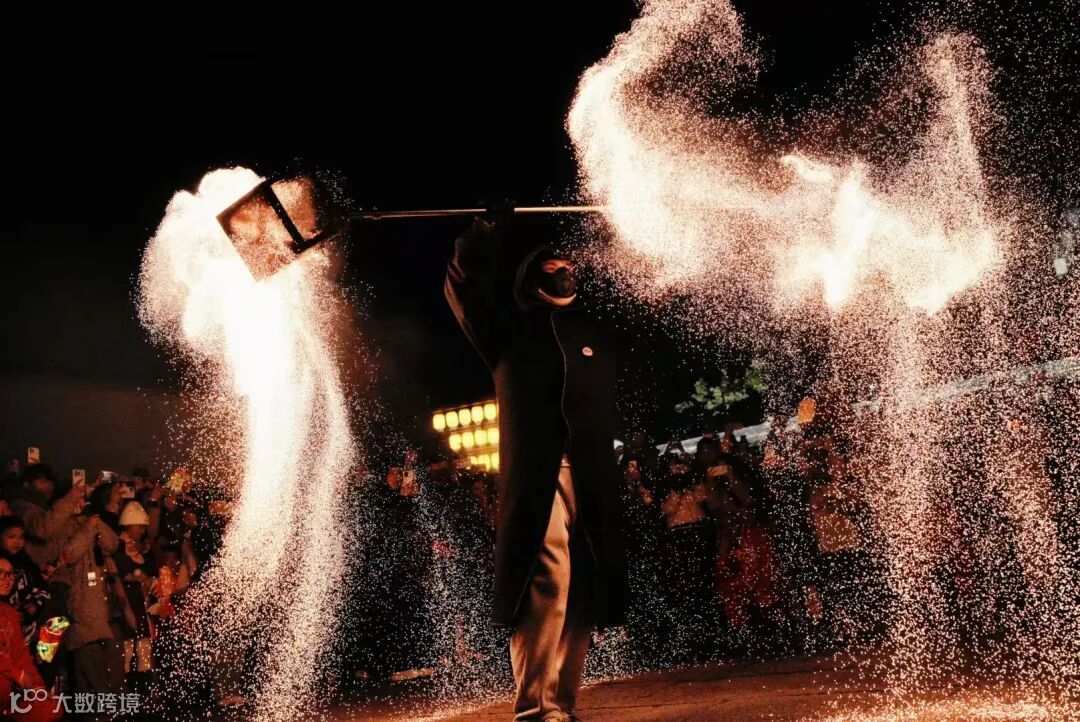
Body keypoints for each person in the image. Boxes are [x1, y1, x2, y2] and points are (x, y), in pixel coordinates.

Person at [446, 210, 626, 721]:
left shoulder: (590, 332)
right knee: (547, 578)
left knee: (583, 586)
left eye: (570, 267)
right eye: (554, 266)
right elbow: (464, 290)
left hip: (591, 476)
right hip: (538, 474)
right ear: (531, 278)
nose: (565, 272)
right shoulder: (508, 332)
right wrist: (480, 235)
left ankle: (560, 705)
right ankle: (535, 709)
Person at [0, 552, 59, 721]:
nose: (7, 579)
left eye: (10, 574)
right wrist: (17, 674)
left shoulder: (9, 613)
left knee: (50, 706)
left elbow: (22, 656)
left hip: (11, 687)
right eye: (0, 573)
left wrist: (37, 687)